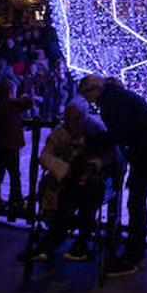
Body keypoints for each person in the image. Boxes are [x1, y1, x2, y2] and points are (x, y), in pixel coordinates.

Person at [78, 74, 147, 277]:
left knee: (136, 202)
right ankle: (134, 252)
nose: (88, 101)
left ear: (93, 90)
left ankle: (134, 255)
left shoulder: (111, 104)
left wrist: (92, 142)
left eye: (86, 95)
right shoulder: (118, 97)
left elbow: (119, 134)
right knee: (136, 202)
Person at [28, 104, 114, 262]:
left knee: (84, 200)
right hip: (69, 179)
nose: (71, 124)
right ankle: (51, 242)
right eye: (68, 120)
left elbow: (110, 155)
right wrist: (64, 170)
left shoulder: (97, 131)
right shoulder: (60, 133)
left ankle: (80, 242)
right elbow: (46, 156)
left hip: (92, 181)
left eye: (75, 120)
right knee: (64, 201)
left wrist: (95, 166)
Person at [0, 78, 31, 214]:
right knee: (14, 174)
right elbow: (27, 102)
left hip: (0, 143)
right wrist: (24, 95)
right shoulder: (9, 104)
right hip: (11, 145)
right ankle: (16, 200)